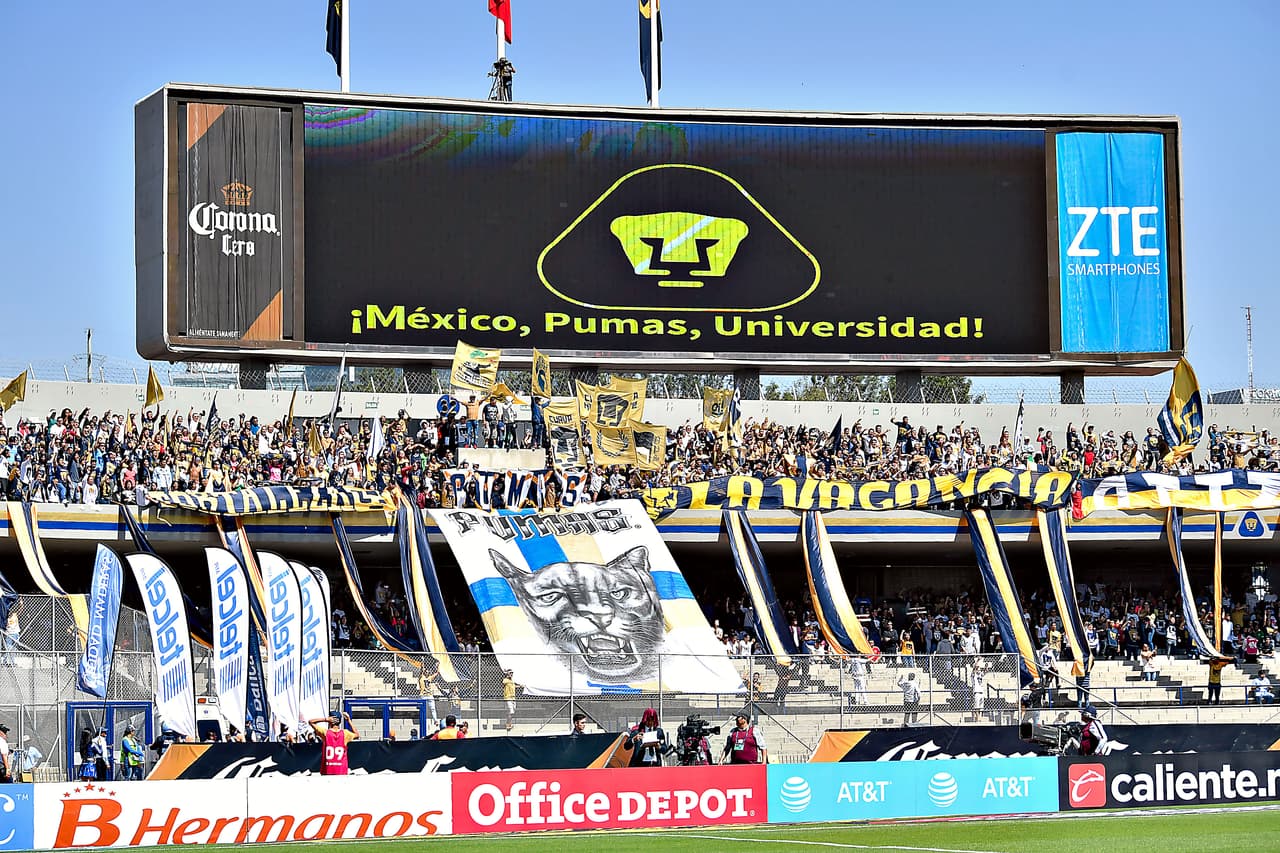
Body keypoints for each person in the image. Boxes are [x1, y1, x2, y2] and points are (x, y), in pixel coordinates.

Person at [308, 710, 358, 775]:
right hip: (341, 771)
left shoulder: (325, 733)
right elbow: (357, 735)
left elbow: (311, 722)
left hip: (327, 770)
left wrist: (325, 719)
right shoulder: (345, 733)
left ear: (330, 720)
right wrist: (348, 720)